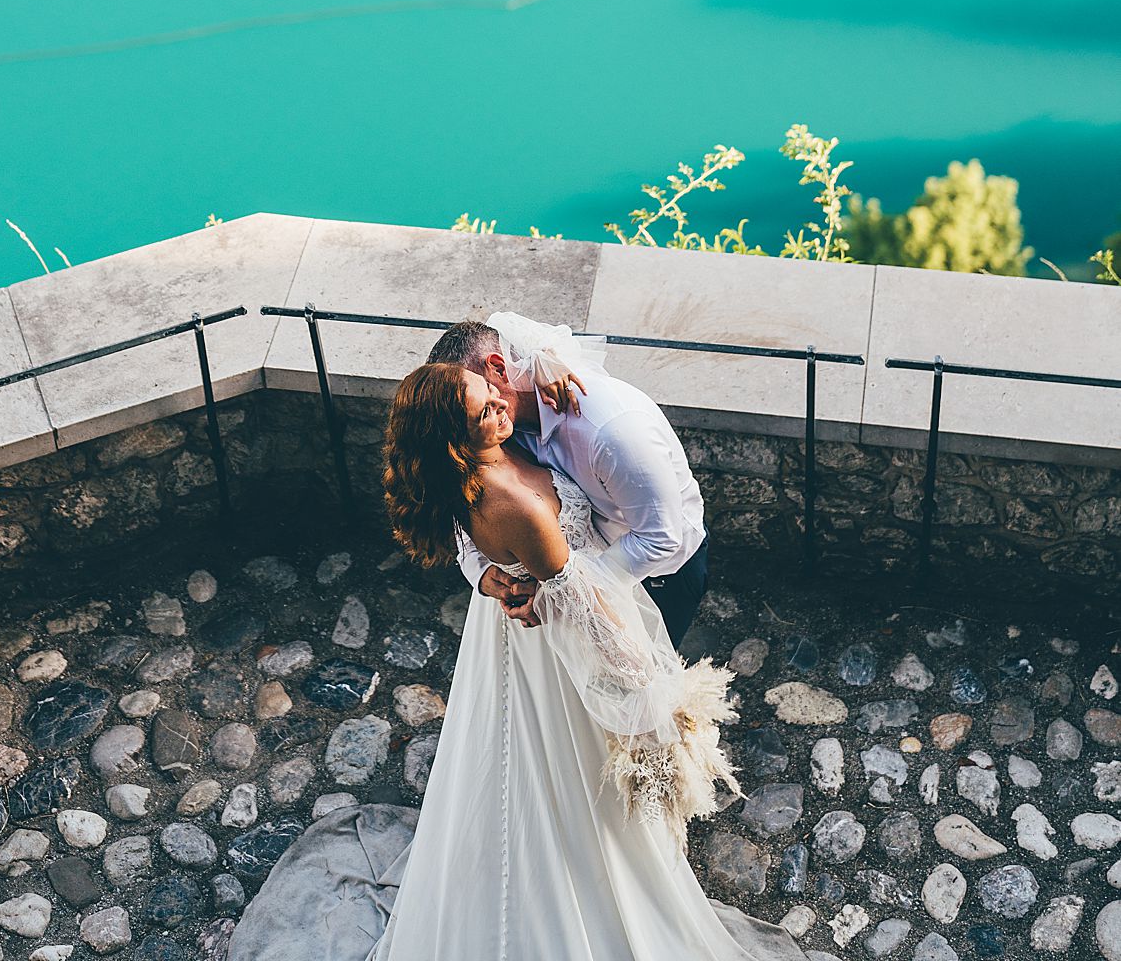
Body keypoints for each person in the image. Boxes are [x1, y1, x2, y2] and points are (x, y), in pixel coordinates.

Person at [229, 344, 804, 961]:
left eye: (491, 392)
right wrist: (650, 698)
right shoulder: (518, 506)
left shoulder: (474, 469)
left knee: (518, 764)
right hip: (553, 649)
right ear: (455, 441)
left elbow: (510, 349)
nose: (503, 401)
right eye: (484, 412)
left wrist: (552, 357)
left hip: (511, 636)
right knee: (568, 777)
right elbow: (583, 612)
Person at [430, 311, 711, 648]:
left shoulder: (614, 433)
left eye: (474, 391)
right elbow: (464, 486)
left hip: (658, 576)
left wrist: (560, 597)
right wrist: (478, 569)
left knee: (638, 682)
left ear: (499, 368)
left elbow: (661, 537)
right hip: (566, 582)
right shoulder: (488, 423)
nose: (462, 413)